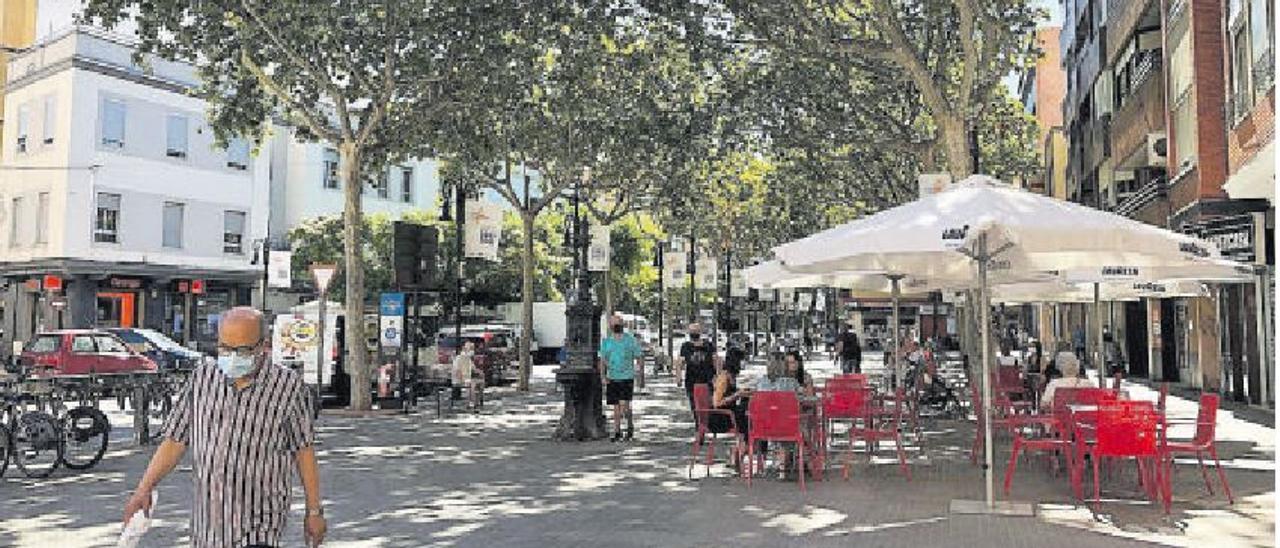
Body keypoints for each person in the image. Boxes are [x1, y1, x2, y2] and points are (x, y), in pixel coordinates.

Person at [123, 307, 325, 548]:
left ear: (264, 346)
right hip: (207, 528)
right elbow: (175, 440)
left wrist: (314, 511)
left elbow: (303, 450)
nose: (232, 357)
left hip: (260, 528)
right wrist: (144, 488)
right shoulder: (202, 377)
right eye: (225, 348)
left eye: (243, 350)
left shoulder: (288, 387)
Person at [599, 315, 643, 442]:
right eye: (613, 324)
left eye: (618, 323)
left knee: (625, 406)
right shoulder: (606, 342)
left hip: (627, 376)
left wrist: (640, 374)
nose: (615, 326)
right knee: (616, 406)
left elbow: (639, 357)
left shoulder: (630, 341)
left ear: (622, 325)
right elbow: (602, 360)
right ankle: (617, 431)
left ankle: (629, 425)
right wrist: (603, 376)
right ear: (610, 326)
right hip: (612, 377)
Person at [675, 322, 719, 413]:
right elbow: (680, 363)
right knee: (698, 405)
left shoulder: (708, 345)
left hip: (706, 380)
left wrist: (678, 378)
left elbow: (716, 360)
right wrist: (678, 377)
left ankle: (703, 423)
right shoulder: (687, 346)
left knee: (704, 405)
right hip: (694, 381)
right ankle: (700, 423)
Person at [453, 341, 483, 411]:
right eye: (470, 348)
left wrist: (480, 373)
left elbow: (474, 369)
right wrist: (462, 379)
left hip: (467, 378)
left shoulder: (468, 359)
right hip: (460, 378)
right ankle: (471, 403)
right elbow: (457, 371)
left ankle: (476, 403)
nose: (472, 351)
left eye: (472, 348)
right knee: (472, 384)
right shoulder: (459, 358)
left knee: (479, 383)